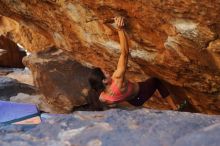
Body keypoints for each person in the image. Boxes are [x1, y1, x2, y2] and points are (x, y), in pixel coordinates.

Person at [89, 17, 178, 110]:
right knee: (156, 81)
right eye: (105, 73)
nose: (108, 72)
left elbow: (109, 102)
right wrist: (120, 29)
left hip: (134, 101)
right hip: (142, 92)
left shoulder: (103, 97)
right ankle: (175, 108)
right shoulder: (117, 79)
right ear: (104, 81)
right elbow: (125, 53)